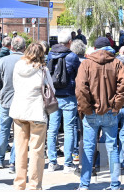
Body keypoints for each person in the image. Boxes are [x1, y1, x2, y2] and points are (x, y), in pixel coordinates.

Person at [75, 37, 124, 190]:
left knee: (88, 148)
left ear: (95, 47)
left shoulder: (86, 63)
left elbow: (80, 88)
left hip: (91, 111)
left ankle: (84, 184)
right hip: (110, 112)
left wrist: (86, 108)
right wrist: (116, 105)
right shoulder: (116, 63)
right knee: (112, 148)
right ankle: (114, 184)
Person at [9, 43, 54, 190]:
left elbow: (15, 85)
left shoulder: (18, 66)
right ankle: (34, 185)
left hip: (19, 110)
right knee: (36, 151)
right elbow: (51, 90)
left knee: (20, 149)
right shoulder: (43, 70)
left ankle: (19, 183)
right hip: (36, 112)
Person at [46, 30, 81, 172]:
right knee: (69, 129)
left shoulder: (50, 54)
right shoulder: (72, 56)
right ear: (69, 42)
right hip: (68, 95)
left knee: (52, 129)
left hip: (54, 96)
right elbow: (78, 75)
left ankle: (52, 162)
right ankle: (68, 163)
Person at [0, 35, 26, 172]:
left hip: (6, 100)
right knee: (19, 132)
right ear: (24, 48)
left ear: (11, 47)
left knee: (4, 130)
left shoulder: (3, 60)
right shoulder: (26, 61)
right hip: (22, 100)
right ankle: (13, 162)